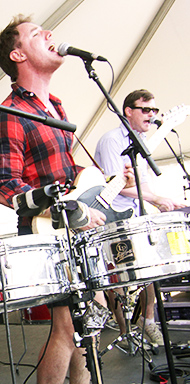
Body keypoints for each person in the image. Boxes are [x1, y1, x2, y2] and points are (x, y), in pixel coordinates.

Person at [0, 14, 132, 384]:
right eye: (37, 34)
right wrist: (63, 207)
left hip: (75, 231)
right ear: (18, 55)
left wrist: (107, 182)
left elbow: (65, 172)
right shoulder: (11, 113)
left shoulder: (55, 105)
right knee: (68, 328)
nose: (50, 35)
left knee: (90, 322)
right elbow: (5, 186)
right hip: (47, 231)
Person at [95, 89, 185, 347]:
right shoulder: (113, 140)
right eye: (146, 109)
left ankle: (147, 320)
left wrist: (165, 200)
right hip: (112, 216)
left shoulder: (142, 141)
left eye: (155, 110)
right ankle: (125, 332)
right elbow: (117, 185)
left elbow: (141, 185)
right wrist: (156, 199)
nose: (152, 115)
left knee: (153, 268)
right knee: (120, 276)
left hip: (135, 214)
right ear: (128, 111)